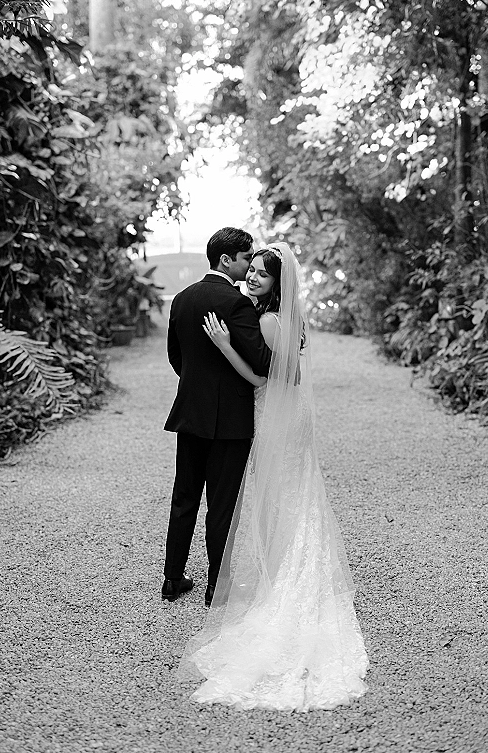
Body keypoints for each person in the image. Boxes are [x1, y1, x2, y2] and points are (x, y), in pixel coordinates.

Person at [178, 242, 368, 711]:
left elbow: (262, 381)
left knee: (274, 495)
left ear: (277, 281)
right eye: (254, 270)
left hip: (274, 417)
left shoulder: (265, 320)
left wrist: (224, 346)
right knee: (296, 495)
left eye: (263, 273)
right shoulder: (291, 319)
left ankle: (275, 577)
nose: (254, 277)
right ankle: (290, 565)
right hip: (294, 419)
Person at [162, 227, 272, 605]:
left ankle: (172, 580)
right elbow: (262, 361)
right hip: (231, 421)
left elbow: (176, 357)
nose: (250, 266)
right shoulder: (236, 304)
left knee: (184, 498)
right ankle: (215, 587)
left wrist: (198, 385)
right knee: (222, 506)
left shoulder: (182, 298)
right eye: (246, 258)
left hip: (190, 413)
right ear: (227, 260)